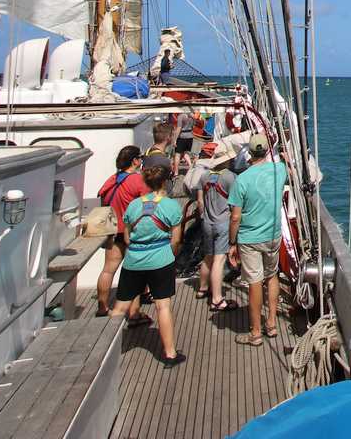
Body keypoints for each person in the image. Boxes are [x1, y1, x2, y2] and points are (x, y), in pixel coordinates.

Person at [111, 163, 187, 366]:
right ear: (165, 182)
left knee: (119, 309)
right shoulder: (171, 206)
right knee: (162, 306)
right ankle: (170, 354)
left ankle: (105, 352)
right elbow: (176, 240)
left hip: (134, 260)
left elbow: (127, 238)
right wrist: (168, 255)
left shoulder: (134, 205)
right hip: (161, 259)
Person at [227, 132, 288, 346]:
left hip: (250, 238)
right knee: (272, 276)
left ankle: (255, 333)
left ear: (250, 153)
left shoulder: (241, 180)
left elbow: (235, 217)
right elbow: (287, 162)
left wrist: (232, 243)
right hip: (273, 236)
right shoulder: (279, 171)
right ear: (266, 151)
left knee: (254, 283)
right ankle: (271, 323)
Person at [96, 146, 148, 318]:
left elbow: (101, 195)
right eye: (140, 158)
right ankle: (134, 314)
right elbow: (148, 204)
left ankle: (102, 308)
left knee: (108, 269)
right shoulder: (138, 180)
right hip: (131, 231)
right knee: (135, 272)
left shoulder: (113, 178)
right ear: (134, 161)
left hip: (112, 229)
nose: (141, 161)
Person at [190, 158, 238, 310]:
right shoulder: (230, 177)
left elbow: (200, 202)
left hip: (207, 222)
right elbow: (235, 203)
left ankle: (202, 288)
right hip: (223, 222)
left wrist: (205, 215)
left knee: (208, 257)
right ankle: (217, 299)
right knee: (219, 260)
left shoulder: (204, 176)